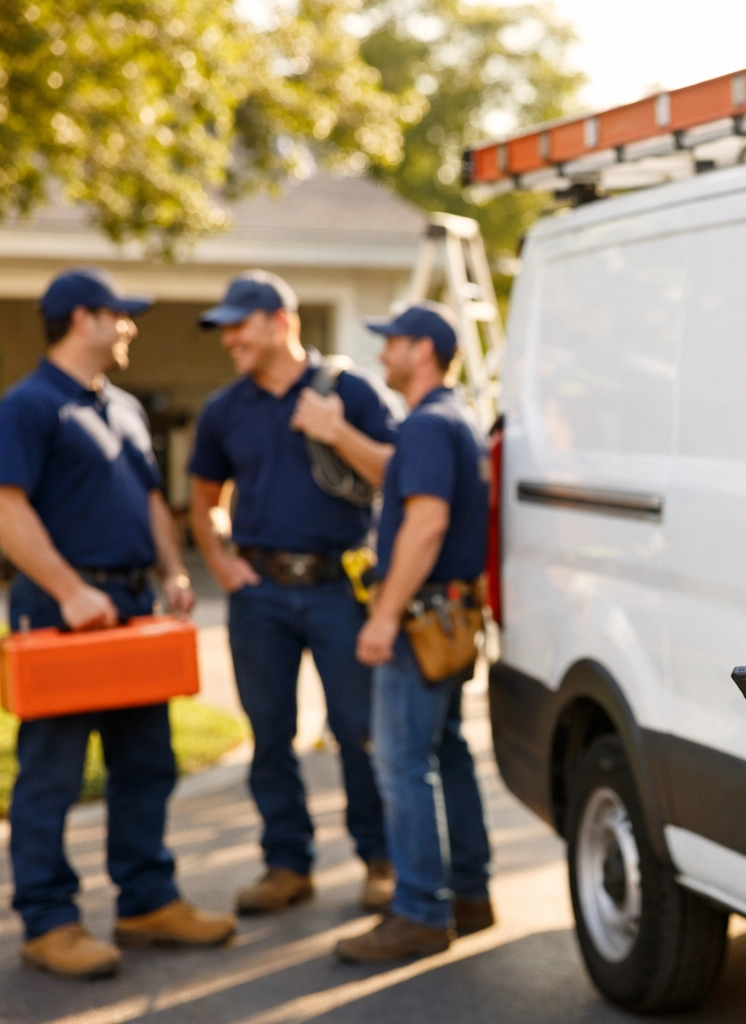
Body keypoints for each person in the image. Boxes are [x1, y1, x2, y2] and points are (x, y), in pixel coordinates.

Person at [0, 268, 237, 979]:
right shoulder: (29, 406)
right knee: (52, 773)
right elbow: (4, 508)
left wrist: (172, 573)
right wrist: (68, 590)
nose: (129, 328)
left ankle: (147, 901)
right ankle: (49, 919)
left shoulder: (121, 407)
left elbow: (152, 502)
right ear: (83, 318)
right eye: (120, 316)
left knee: (146, 763)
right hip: (64, 613)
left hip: (131, 609)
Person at [187, 270, 398, 916]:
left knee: (359, 730)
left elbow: (397, 474)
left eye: (239, 326)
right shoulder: (224, 410)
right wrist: (224, 568)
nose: (230, 340)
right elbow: (201, 502)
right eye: (224, 329)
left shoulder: (349, 393)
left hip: (340, 589)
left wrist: (335, 431)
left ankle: (381, 859)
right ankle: (286, 865)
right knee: (269, 733)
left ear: (280, 321)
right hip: (261, 597)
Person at [334, 302, 494, 963]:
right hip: (448, 619)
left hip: (418, 618)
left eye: (391, 343)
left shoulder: (427, 427)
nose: (382, 355)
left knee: (402, 764)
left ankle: (421, 912)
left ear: (422, 350)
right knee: (446, 752)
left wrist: (380, 616)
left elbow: (425, 527)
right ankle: (469, 895)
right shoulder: (457, 420)